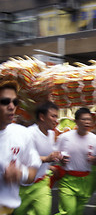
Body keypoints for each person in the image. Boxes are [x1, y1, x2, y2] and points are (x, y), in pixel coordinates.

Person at [14, 101, 64, 215]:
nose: (56, 120)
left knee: (44, 212)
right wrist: (46, 159)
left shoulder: (52, 134)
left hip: (41, 183)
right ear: (42, 117)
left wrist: (51, 166)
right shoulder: (29, 134)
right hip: (23, 186)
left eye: (57, 116)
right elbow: (23, 158)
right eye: (53, 116)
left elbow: (46, 156)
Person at [55, 107, 96, 215]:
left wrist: (95, 161)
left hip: (86, 181)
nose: (87, 122)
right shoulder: (64, 137)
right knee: (69, 211)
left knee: (78, 212)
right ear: (76, 121)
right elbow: (54, 154)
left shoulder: (95, 139)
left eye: (89, 120)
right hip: (67, 180)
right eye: (84, 119)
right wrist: (60, 159)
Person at [0, 80, 41, 214]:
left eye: (15, 102)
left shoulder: (22, 134)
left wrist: (20, 173)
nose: (11, 107)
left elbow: (32, 172)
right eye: (5, 102)